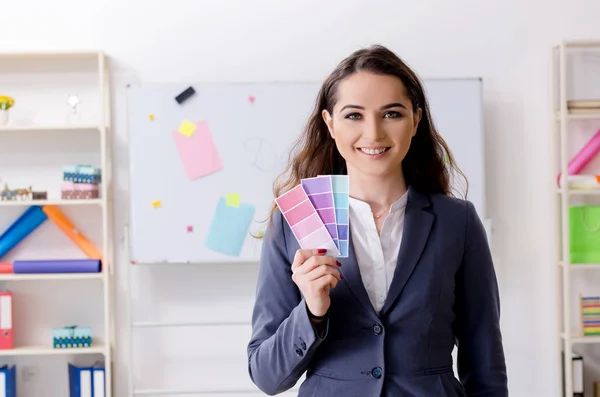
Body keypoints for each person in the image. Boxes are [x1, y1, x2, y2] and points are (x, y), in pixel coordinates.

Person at [247, 44, 507, 396]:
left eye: (392, 114)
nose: (373, 133)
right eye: (354, 115)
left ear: (416, 120)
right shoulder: (292, 223)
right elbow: (266, 376)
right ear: (330, 124)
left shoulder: (457, 221)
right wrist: (311, 311)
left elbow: (484, 360)